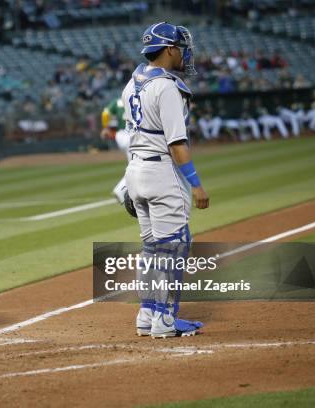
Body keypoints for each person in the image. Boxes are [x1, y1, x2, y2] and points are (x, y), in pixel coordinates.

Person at [122, 22, 209, 338]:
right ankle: (165, 320)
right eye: (181, 48)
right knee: (174, 246)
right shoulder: (168, 87)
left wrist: (127, 186)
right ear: (169, 49)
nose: (184, 53)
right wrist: (196, 183)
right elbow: (176, 143)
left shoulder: (132, 83)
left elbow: (134, 137)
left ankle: (147, 314)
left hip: (135, 172)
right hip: (161, 173)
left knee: (151, 248)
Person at [100, 97, 130, 203]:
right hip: (130, 134)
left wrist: (105, 127)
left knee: (135, 164)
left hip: (120, 135)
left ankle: (123, 191)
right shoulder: (137, 97)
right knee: (138, 165)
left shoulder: (117, 101)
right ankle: (120, 191)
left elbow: (105, 113)